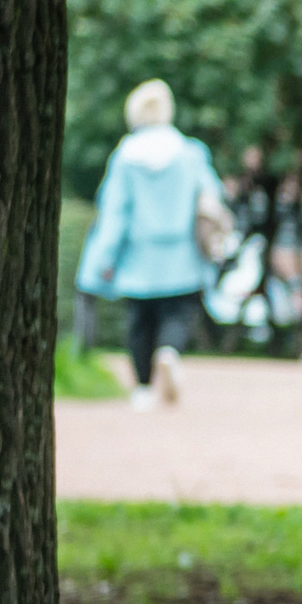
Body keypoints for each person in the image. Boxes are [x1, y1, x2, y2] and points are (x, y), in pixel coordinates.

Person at [74, 80, 227, 410]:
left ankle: (143, 388)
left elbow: (114, 213)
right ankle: (170, 352)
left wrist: (101, 260)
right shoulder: (190, 153)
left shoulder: (125, 158)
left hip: (138, 257)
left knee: (139, 322)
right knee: (179, 314)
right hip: (183, 255)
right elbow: (211, 196)